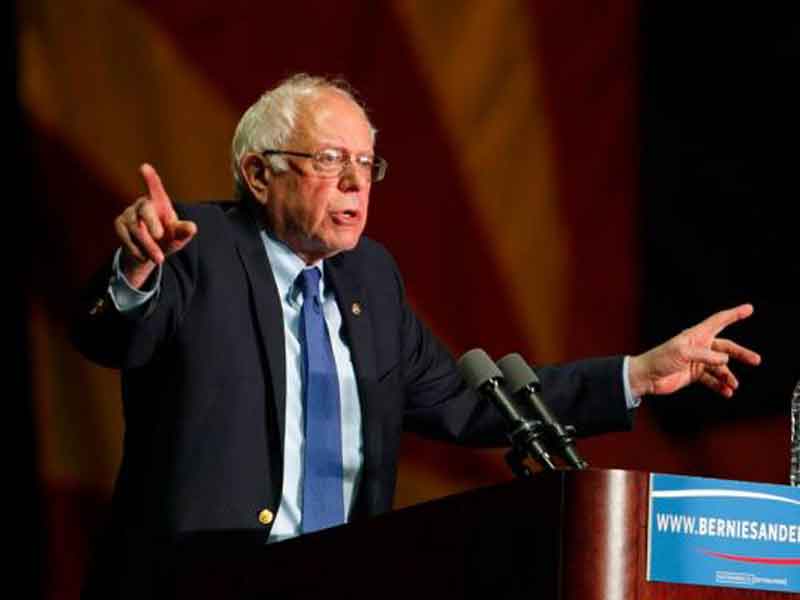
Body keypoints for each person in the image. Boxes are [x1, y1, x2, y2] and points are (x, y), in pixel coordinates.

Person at [71, 74, 760, 598]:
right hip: (200, 580)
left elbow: (472, 404)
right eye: (329, 159)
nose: (355, 183)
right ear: (259, 174)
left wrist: (636, 374)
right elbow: (108, 339)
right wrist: (135, 271)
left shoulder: (370, 278)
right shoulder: (195, 247)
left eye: (366, 163)